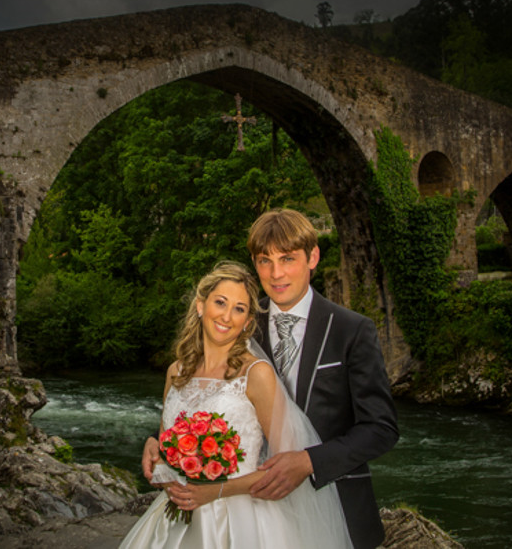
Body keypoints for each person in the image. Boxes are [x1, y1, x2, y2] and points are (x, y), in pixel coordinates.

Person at [123, 261, 350, 549]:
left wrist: (215, 491)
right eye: (220, 302)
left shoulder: (256, 375)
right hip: (175, 519)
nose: (227, 316)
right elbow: (169, 453)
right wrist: (153, 448)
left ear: (247, 322)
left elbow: (285, 472)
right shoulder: (175, 372)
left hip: (241, 521)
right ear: (200, 306)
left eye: (239, 309)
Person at [245, 208, 399, 549]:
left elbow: (381, 428)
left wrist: (310, 461)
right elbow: (209, 395)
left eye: (287, 258)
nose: (276, 273)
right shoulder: (241, 324)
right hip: (252, 505)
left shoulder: (352, 330)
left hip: (335, 502)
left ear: (312, 256)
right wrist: (161, 438)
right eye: (264, 261)